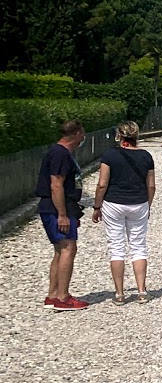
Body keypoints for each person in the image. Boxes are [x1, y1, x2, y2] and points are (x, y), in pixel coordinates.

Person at [91, 120, 157, 304]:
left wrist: (97, 207)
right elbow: (151, 186)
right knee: (138, 246)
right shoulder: (146, 156)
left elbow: (102, 184)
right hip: (138, 202)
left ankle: (119, 294)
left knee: (116, 248)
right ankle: (142, 291)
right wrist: (148, 206)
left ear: (119, 135)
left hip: (113, 202)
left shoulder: (110, 155)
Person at [37, 120, 88, 310]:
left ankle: (52, 294)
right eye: (82, 133)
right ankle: (63, 297)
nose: (83, 137)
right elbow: (56, 184)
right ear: (76, 134)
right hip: (56, 208)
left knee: (60, 250)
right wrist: (62, 215)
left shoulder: (58, 152)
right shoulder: (61, 155)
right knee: (68, 249)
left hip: (56, 207)